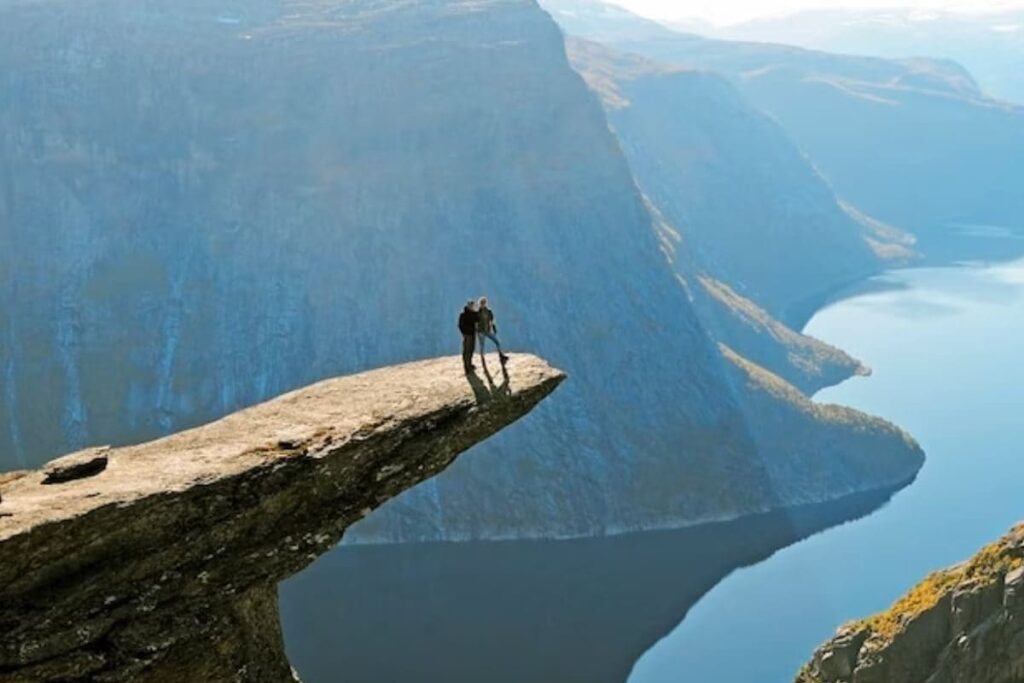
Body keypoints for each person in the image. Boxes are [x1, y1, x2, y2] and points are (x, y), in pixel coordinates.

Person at [476, 296, 509, 366]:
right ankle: (482, 359)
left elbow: (492, 320)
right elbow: (475, 322)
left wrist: (494, 328)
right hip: (481, 331)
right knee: (482, 346)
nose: (483, 304)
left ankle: (501, 356)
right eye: (482, 303)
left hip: (487, 330)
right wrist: (476, 330)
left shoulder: (488, 311)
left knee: (497, 342)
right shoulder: (478, 312)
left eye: (484, 303)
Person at [458, 300, 479, 372]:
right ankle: (467, 367)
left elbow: (478, 319)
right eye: (471, 305)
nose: (472, 306)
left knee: (471, 350)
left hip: (472, 334)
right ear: (468, 306)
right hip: (467, 335)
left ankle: (469, 364)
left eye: (472, 305)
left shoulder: (473, 314)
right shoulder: (463, 315)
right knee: (467, 351)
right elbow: (460, 325)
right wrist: (465, 333)